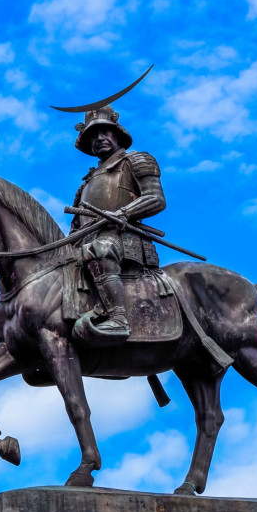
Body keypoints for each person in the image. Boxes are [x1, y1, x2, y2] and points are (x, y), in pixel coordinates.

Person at [70, 104, 165, 342]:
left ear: (117, 133)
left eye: (105, 131)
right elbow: (76, 227)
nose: (99, 138)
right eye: (93, 136)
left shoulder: (136, 160)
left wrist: (123, 213)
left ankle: (118, 318)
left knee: (99, 249)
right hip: (86, 244)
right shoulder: (85, 184)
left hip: (123, 239)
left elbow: (155, 198)